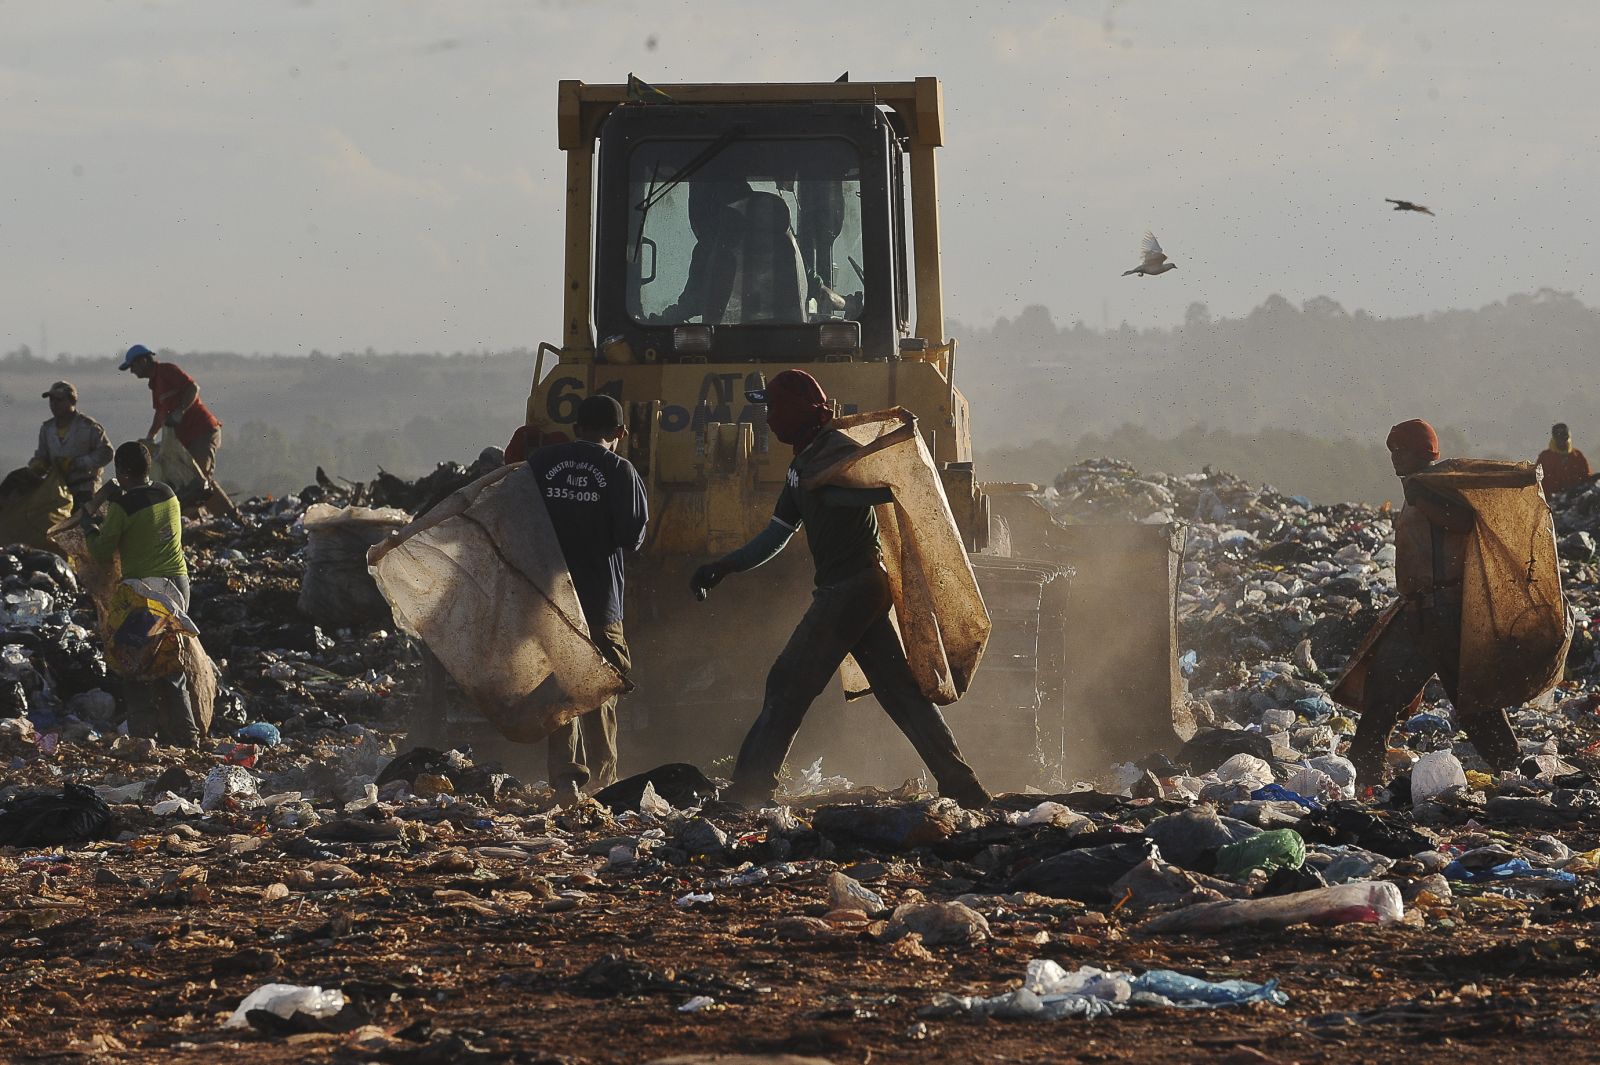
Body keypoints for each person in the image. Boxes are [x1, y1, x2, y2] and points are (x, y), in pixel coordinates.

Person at [690, 369, 993, 809]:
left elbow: (881, 490)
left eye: (773, 409)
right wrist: (724, 567)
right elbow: (775, 535)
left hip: (852, 589)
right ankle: (964, 788)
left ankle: (750, 790)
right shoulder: (803, 467)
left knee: (788, 681)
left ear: (796, 412)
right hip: (853, 592)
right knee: (899, 694)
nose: (768, 420)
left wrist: (840, 495)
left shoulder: (835, 455)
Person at [1344, 419, 1521, 784]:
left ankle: (1365, 773)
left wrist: (1423, 500)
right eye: (1392, 451)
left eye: (1402, 450)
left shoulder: (1431, 487)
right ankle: (1516, 769)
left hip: (1440, 611)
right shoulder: (1422, 486)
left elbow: (1462, 523)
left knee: (1442, 695)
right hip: (1422, 609)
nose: (1395, 458)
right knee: (1450, 696)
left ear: (1422, 452)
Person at [525, 395, 648, 799]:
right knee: (600, 687)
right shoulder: (620, 470)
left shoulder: (541, 464)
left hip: (548, 599)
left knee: (558, 687)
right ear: (620, 433)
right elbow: (633, 536)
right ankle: (602, 780)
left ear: (576, 427)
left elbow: (511, 517)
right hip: (599, 602)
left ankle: (564, 779)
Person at [83, 441, 201, 748]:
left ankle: (143, 739)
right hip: (178, 587)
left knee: (134, 666)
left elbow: (101, 550)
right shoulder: (167, 493)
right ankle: (187, 739)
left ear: (122, 472)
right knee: (170, 662)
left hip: (147, 595)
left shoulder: (122, 508)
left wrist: (88, 525)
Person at [119, 343, 239, 518]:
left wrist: (180, 411)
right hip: (185, 439)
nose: (132, 371)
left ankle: (233, 519)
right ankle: (199, 522)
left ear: (143, 361)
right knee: (186, 483)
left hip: (202, 431)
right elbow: (160, 413)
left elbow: (193, 388)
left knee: (198, 482)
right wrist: (150, 437)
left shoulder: (166, 371)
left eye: (133, 366)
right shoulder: (155, 384)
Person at [29, 381, 112, 513]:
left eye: (59, 400)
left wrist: (77, 463)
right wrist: (38, 465)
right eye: (51, 400)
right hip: (57, 491)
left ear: (72, 401)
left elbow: (106, 452)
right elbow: (42, 455)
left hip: (85, 489)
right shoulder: (47, 428)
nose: (54, 404)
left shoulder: (88, 426)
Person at [1536, 422, 1591, 495]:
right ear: (1554, 438)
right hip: (1550, 501)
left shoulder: (1577, 456)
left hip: (1575, 499)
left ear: (1569, 437)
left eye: (1564, 437)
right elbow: (1535, 480)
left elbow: (1587, 477)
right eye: (1559, 437)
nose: (1562, 441)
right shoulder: (1545, 457)